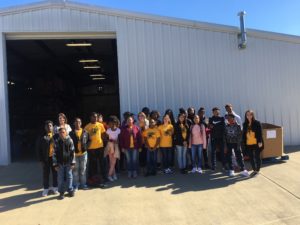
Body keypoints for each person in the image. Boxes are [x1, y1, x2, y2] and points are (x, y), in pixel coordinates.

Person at [84, 112, 107, 188]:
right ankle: (94, 179)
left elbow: (103, 135)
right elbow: (84, 139)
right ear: (90, 117)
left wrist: (105, 145)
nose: (95, 118)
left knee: (102, 163)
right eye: (94, 117)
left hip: (100, 147)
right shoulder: (87, 127)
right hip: (91, 149)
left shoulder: (100, 125)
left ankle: (104, 177)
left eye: (96, 117)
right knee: (93, 165)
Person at [36, 120, 58, 197]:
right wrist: (41, 160)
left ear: (53, 127)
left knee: (55, 173)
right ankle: (46, 189)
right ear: (45, 127)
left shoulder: (56, 136)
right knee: (46, 174)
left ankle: (55, 187)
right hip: (46, 159)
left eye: (50, 126)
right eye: (47, 126)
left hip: (54, 158)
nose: (49, 127)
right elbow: (38, 149)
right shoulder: (42, 137)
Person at [53, 127, 76, 200]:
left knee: (69, 176)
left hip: (68, 163)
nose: (62, 134)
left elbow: (73, 152)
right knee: (60, 178)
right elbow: (54, 154)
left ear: (66, 133)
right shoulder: (56, 142)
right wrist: (55, 164)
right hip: (60, 164)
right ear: (58, 134)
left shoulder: (70, 141)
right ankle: (61, 192)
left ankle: (70, 190)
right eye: (60, 133)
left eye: (63, 132)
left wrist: (72, 163)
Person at [69, 118, 89, 191]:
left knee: (83, 170)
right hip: (75, 155)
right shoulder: (71, 133)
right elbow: (68, 143)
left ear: (81, 123)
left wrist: (86, 147)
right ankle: (75, 185)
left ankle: (83, 184)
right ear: (74, 123)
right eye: (76, 122)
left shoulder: (85, 132)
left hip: (84, 154)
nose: (78, 123)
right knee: (75, 171)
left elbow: (89, 141)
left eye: (79, 122)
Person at [242, 110, 264, 176]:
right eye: (247, 115)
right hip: (248, 143)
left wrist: (260, 141)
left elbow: (260, 133)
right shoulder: (245, 124)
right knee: (251, 157)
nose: (249, 116)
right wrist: (244, 143)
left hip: (256, 142)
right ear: (246, 116)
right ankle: (254, 170)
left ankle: (257, 170)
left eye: (250, 114)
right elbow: (244, 134)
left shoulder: (257, 123)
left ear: (252, 115)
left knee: (257, 156)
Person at [105, 116, 121, 182]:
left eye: (114, 122)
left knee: (113, 162)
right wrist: (111, 140)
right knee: (111, 162)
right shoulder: (108, 131)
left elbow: (120, 139)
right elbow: (106, 139)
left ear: (116, 123)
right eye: (111, 123)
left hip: (116, 147)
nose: (113, 124)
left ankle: (109, 175)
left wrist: (117, 141)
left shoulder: (118, 130)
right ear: (109, 123)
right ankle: (113, 175)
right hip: (110, 147)